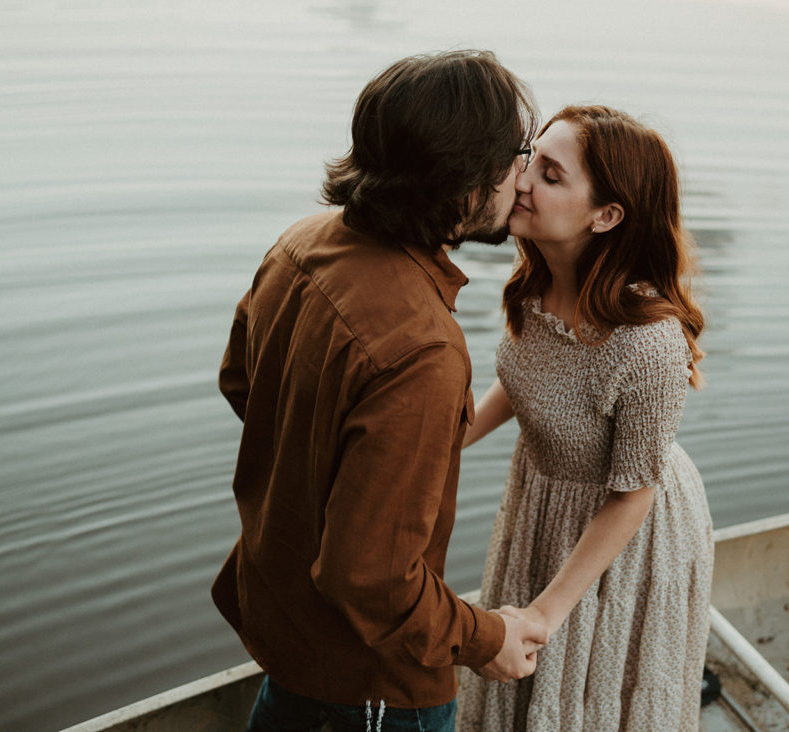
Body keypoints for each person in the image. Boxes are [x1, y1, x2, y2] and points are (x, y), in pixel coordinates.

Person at [212, 50, 548, 732]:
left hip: (287, 637)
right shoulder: (423, 349)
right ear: (462, 184)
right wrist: (489, 640)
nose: (525, 175)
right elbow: (369, 577)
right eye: (515, 155)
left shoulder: (301, 245)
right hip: (372, 691)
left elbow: (241, 381)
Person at [456, 105, 714, 731]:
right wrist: (446, 437)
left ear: (606, 215)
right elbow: (527, 383)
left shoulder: (648, 342)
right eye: (530, 161)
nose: (521, 181)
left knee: (582, 693)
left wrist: (544, 613)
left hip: (622, 530)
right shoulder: (536, 283)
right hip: (539, 503)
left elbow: (634, 495)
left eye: (550, 174)